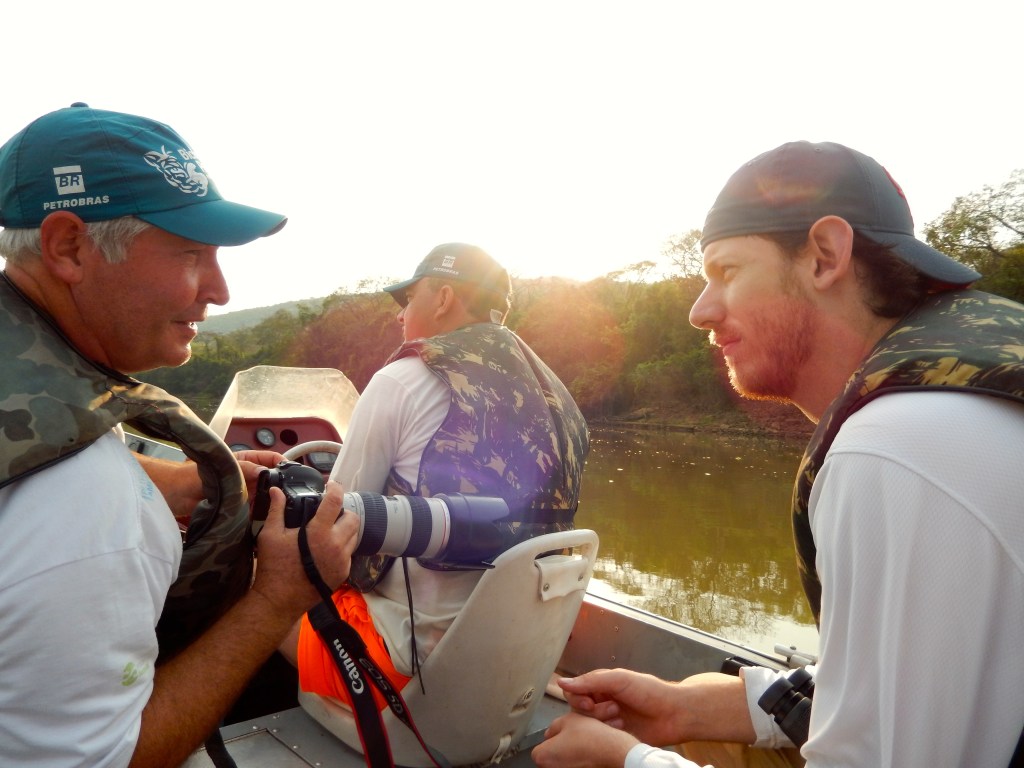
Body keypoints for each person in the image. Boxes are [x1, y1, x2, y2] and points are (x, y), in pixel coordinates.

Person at [533, 141, 1024, 767]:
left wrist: (625, 761)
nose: (699, 310)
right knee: (706, 723)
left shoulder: (898, 446)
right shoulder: (966, 376)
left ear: (825, 256)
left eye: (726, 271)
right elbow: (887, 686)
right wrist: (685, 707)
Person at [0, 104, 359, 767]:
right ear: (69, 247)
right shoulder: (84, 510)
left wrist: (184, 481)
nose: (220, 290)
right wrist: (278, 597)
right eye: (191, 253)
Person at [283, 242, 589, 712]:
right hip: (517, 666)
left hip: (409, 675)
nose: (400, 317)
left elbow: (333, 525)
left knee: (256, 582)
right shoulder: (561, 402)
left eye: (408, 300)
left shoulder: (401, 381)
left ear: (443, 298)